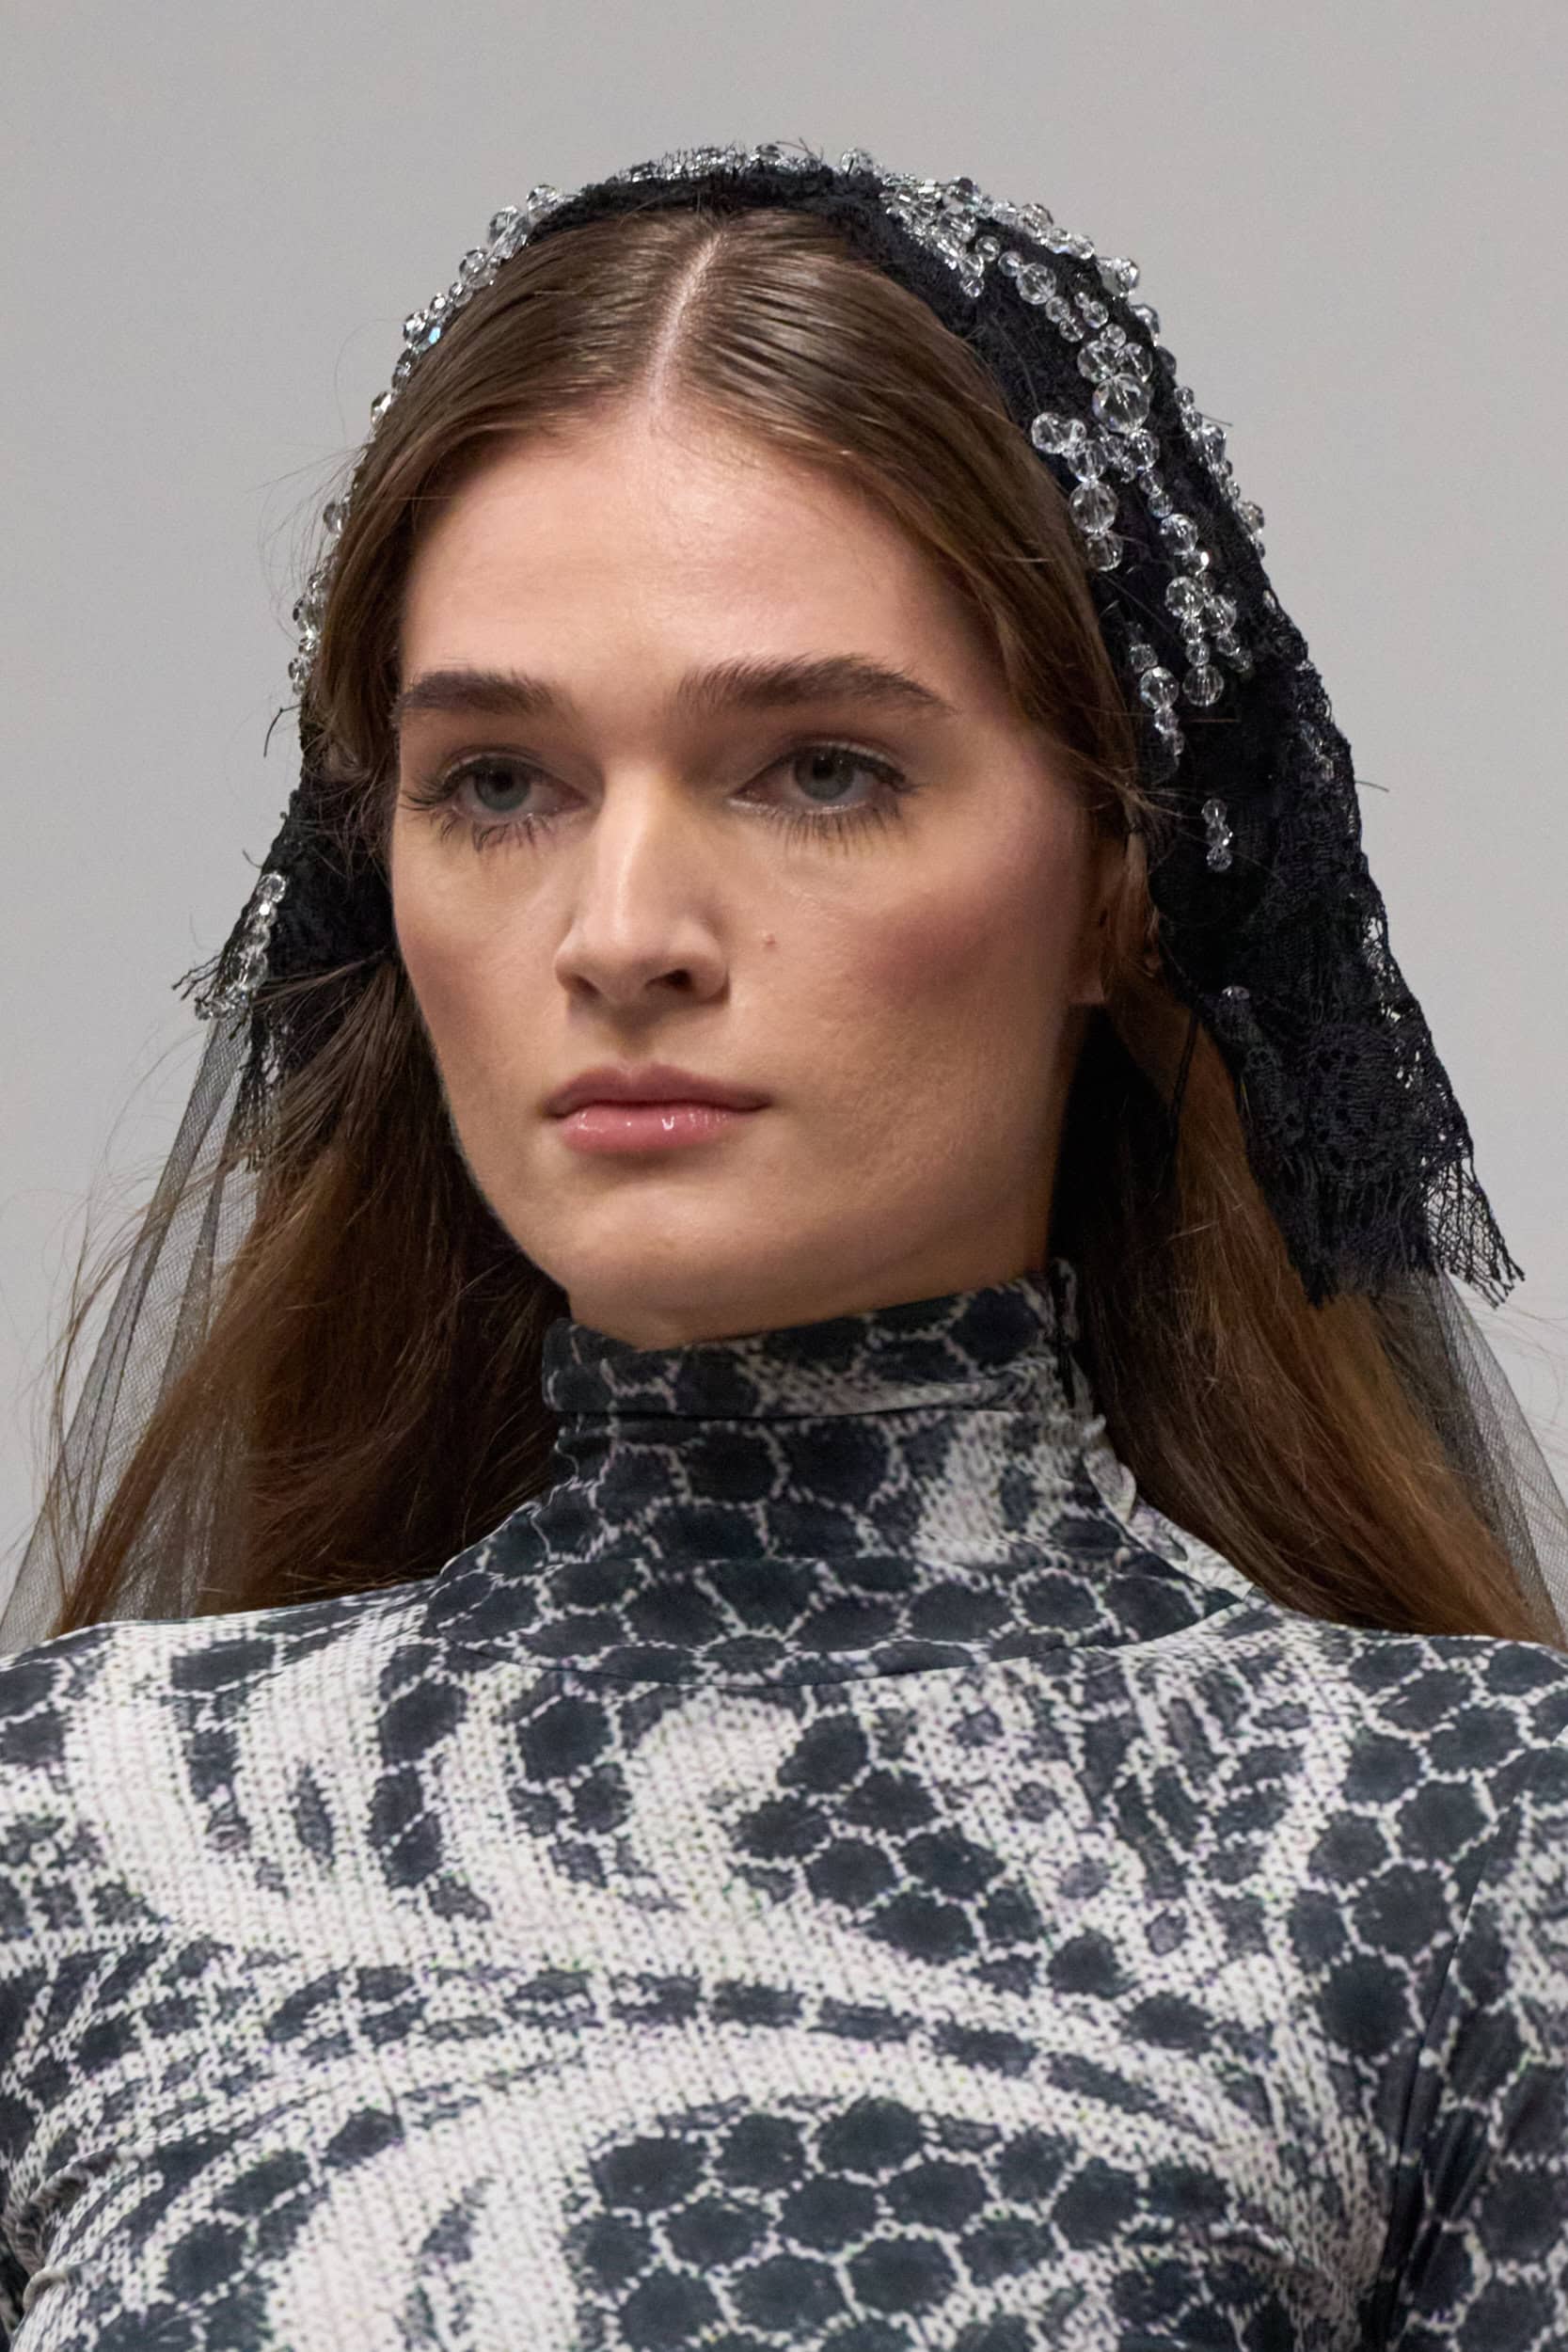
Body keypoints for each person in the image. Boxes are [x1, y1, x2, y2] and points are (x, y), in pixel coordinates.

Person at [0, 142, 1563, 2346]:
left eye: (819, 768)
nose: (624, 929)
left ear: (1122, 878)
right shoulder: (66, 1830)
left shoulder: (1466, 1848)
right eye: (498, 782)